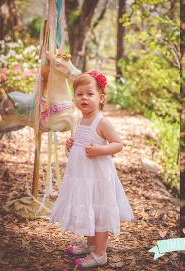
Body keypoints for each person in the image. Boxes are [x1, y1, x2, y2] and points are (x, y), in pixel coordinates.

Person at [50, 70, 134, 268]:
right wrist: (70, 146)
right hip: (82, 175)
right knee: (89, 206)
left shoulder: (102, 121)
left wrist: (101, 150)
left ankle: (100, 253)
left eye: (90, 94)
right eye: (80, 94)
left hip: (98, 176)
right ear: (75, 98)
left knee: (100, 209)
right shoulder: (80, 120)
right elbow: (79, 148)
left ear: (101, 97)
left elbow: (118, 144)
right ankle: (90, 244)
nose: (84, 98)